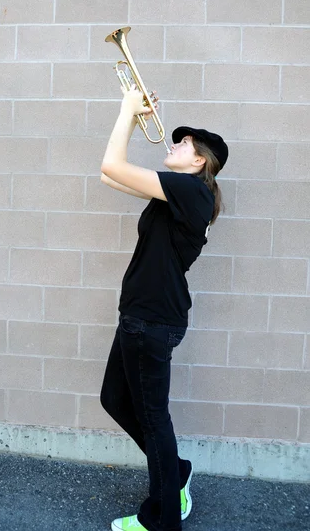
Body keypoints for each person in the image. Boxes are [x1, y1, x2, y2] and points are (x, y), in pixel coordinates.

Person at [99, 84, 229, 531]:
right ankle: (176, 471)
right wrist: (134, 121)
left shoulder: (193, 193)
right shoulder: (172, 194)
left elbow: (109, 164)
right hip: (139, 317)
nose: (174, 143)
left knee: (155, 420)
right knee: (114, 399)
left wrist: (126, 108)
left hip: (152, 322)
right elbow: (109, 177)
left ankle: (163, 519)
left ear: (199, 162)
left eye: (185, 142)